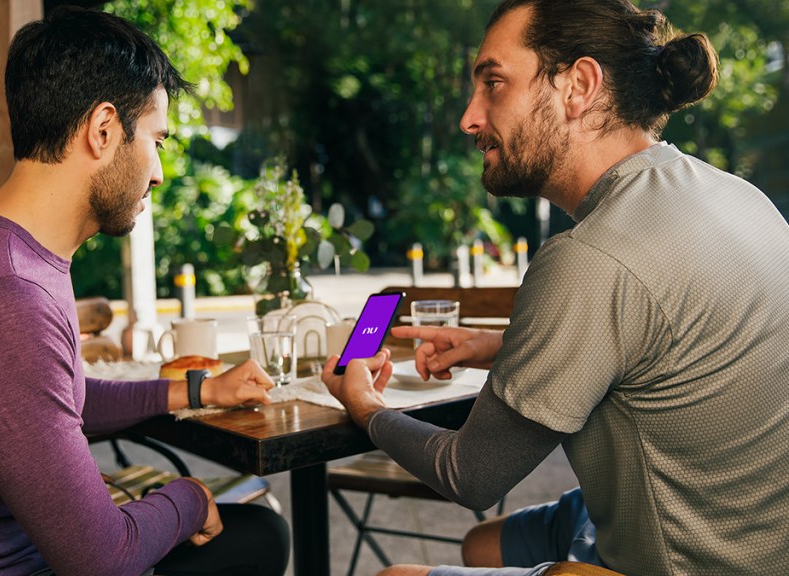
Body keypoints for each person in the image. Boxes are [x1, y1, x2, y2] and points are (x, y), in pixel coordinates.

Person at [323, 0, 789, 575]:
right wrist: (499, 345)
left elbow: (468, 475)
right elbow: (665, 341)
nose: (469, 118)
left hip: (690, 557)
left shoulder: (591, 256)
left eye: (494, 83)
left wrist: (365, 406)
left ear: (579, 86)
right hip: (751, 528)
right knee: (481, 547)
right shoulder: (738, 197)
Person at [0, 7, 289, 576]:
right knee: (260, 537)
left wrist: (198, 390)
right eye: (157, 141)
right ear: (103, 129)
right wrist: (190, 498)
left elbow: (61, 396)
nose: (159, 172)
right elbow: (101, 559)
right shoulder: (4, 299)